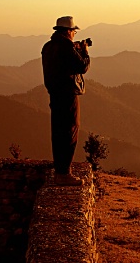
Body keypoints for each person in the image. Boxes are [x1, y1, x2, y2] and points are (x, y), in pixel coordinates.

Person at [41, 16, 91, 186]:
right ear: (68, 31)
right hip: (68, 95)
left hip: (54, 95)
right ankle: (64, 173)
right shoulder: (66, 47)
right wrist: (84, 50)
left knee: (58, 131)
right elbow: (83, 66)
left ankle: (60, 169)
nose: (74, 35)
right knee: (70, 131)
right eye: (74, 31)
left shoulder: (48, 47)